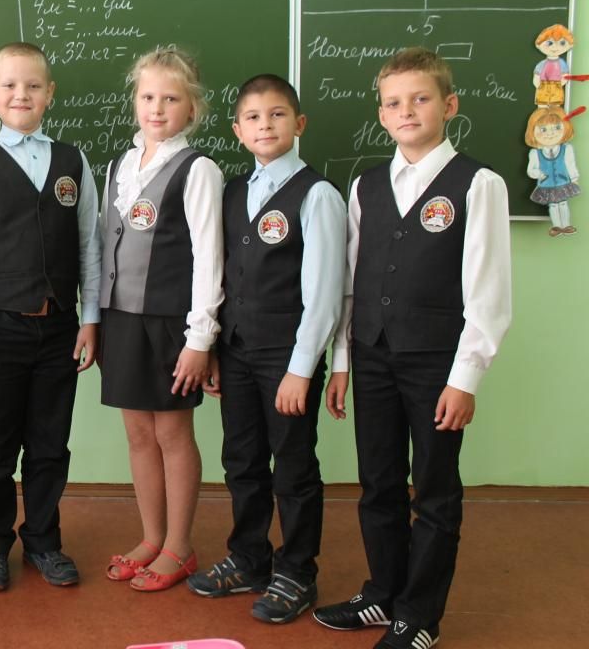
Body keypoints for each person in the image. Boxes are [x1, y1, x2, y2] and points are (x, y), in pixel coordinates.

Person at [317, 48, 512, 649]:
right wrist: (343, 361)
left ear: (449, 106)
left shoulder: (478, 184)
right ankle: (384, 592)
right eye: (394, 102)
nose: (407, 111)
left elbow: (488, 292)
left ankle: (420, 616)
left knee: (434, 490)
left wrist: (465, 378)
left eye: (420, 99)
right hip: (372, 354)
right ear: (381, 114)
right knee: (377, 482)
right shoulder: (366, 186)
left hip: (436, 363)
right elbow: (352, 282)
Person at [187, 74, 345, 624]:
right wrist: (213, 348)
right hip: (237, 351)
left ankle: (297, 569)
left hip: (287, 357)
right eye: (253, 117)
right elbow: (224, 275)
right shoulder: (233, 191)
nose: (265, 125)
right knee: (242, 460)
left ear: (299, 124)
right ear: (237, 130)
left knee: (293, 466)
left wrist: (302, 368)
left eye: (277, 115)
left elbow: (324, 294)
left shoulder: (317, 195)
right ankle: (249, 557)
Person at [0, 41, 101, 591]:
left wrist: (91, 318)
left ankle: (43, 540)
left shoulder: (73, 162)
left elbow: (89, 247)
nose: (22, 95)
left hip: (60, 327)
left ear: (50, 93)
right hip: (1, 329)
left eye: (33, 85)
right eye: (10, 86)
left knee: (50, 444)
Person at [97, 48, 223, 594]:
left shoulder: (198, 169)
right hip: (121, 319)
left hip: (172, 323)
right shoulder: (119, 166)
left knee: (172, 432)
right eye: (147, 96)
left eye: (171, 98)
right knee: (137, 432)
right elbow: (103, 245)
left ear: (192, 108)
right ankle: (151, 537)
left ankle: (180, 545)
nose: (156, 108)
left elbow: (209, 258)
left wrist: (200, 339)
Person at [524, 105, 579, 236]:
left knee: (563, 203)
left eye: (557, 128)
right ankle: (557, 226)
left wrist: (574, 178)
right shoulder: (535, 153)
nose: (550, 133)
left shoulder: (566, 149)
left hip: (563, 182)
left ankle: (566, 225)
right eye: (543, 129)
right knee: (553, 205)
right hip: (546, 184)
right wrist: (539, 174)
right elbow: (531, 170)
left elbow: (570, 165)